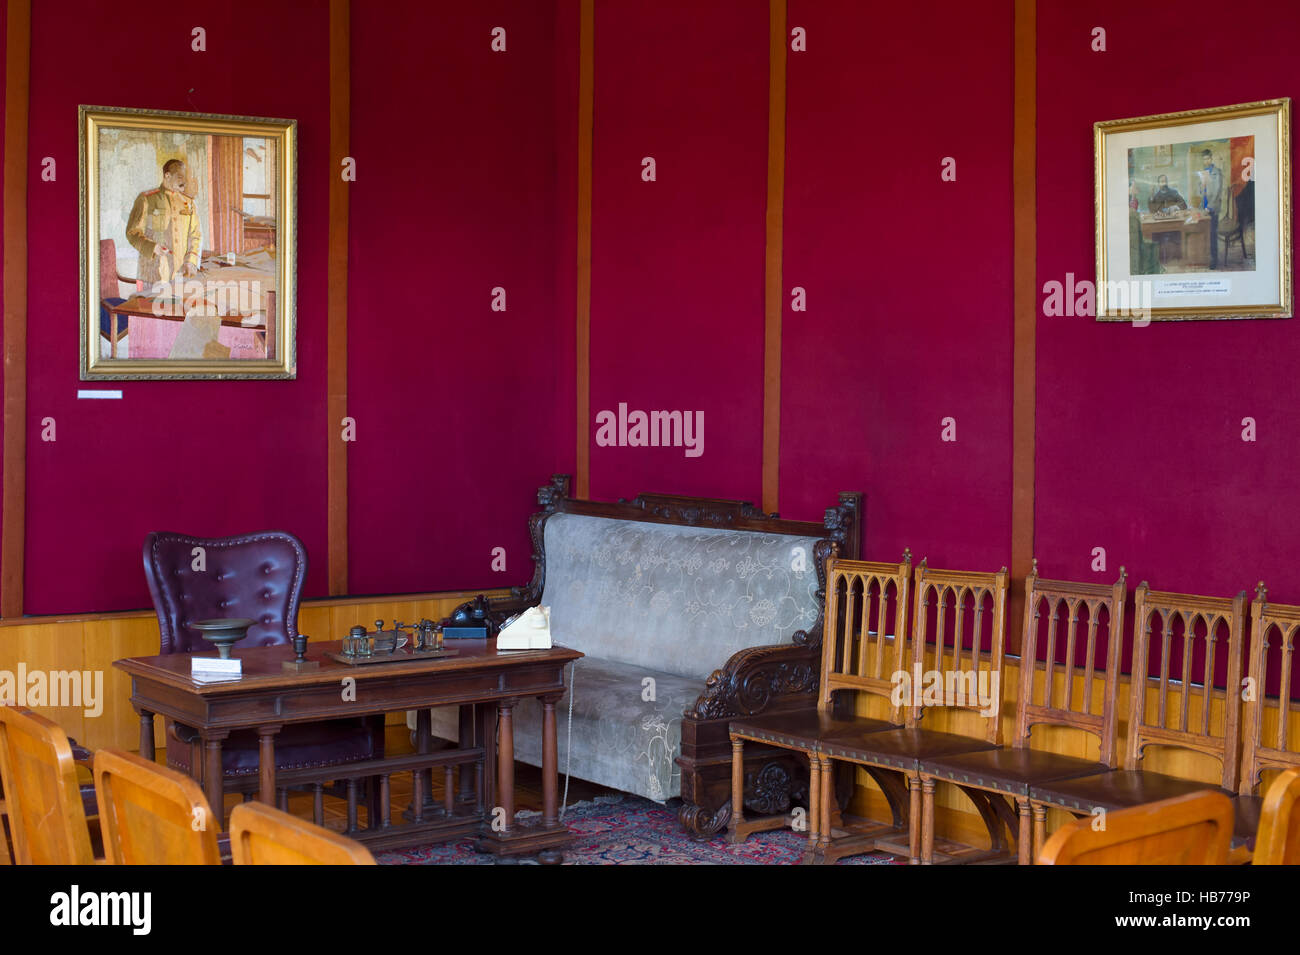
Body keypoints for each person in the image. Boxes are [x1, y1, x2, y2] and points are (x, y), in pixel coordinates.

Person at [125, 159, 202, 287]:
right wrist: (152, 247)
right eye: (180, 177)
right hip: (153, 273)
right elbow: (132, 233)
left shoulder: (189, 203)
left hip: (181, 274)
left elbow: (196, 235)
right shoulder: (146, 199)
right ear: (167, 176)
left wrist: (191, 261)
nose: (184, 181)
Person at [1194, 148, 1223, 269]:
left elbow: (1217, 192)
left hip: (1212, 207)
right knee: (1203, 233)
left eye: (1207, 158)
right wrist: (1202, 186)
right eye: (1204, 159)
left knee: (1212, 234)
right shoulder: (1203, 172)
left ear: (1211, 159)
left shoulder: (1217, 172)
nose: (1206, 161)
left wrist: (1209, 208)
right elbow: (1200, 191)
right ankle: (1205, 258)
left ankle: (1214, 261)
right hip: (1204, 206)